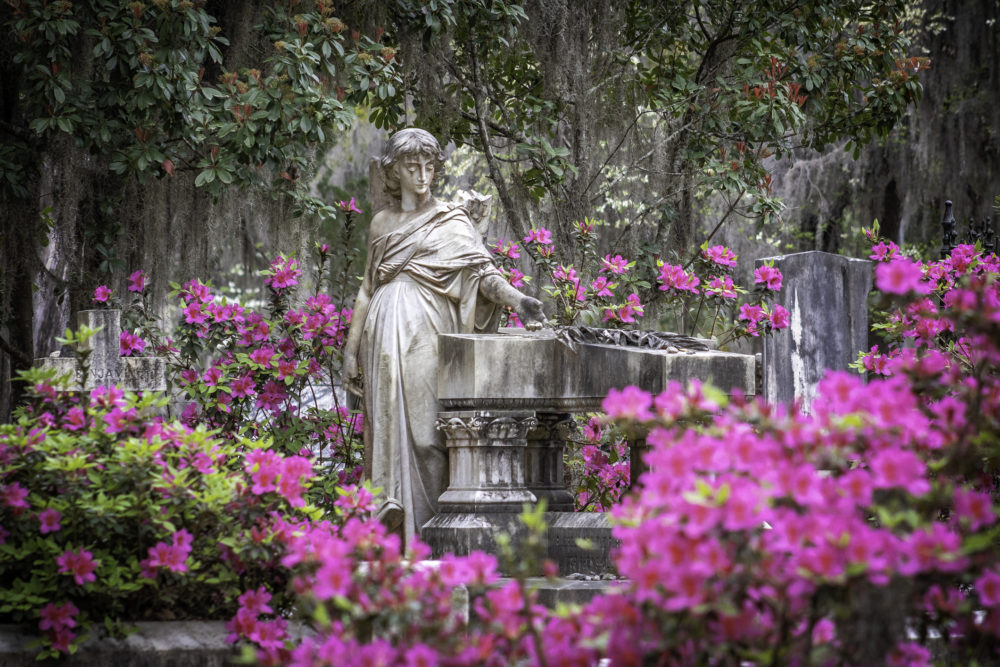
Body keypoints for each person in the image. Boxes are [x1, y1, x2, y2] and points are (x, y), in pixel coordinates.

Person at [343, 128, 545, 543]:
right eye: (411, 166)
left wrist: (518, 300)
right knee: (385, 432)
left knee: (426, 431)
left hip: (428, 335)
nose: (422, 174)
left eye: (429, 166)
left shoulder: (451, 219)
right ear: (393, 171)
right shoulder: (381, 222)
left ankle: (433, 536)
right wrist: (350, 351)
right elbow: (367, 287)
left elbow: (482, 275)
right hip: (380, 341)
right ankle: (392, 532)